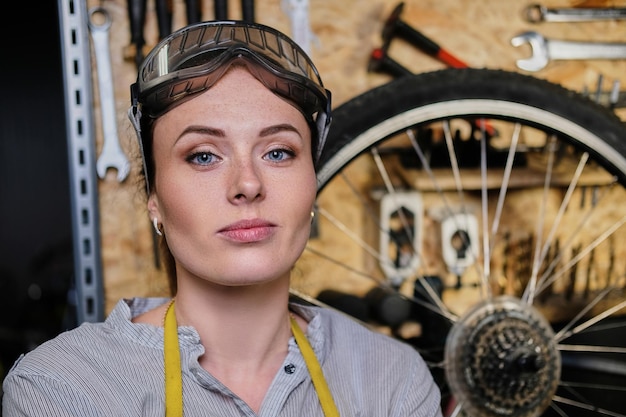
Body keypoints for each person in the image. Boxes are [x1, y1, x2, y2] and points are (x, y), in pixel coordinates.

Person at [2, 20, 443, 416]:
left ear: (312, 185)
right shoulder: (61, 391)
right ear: (154, 200)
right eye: (204, 156)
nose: (247, 184)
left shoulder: (393, 381)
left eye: (278, 152)